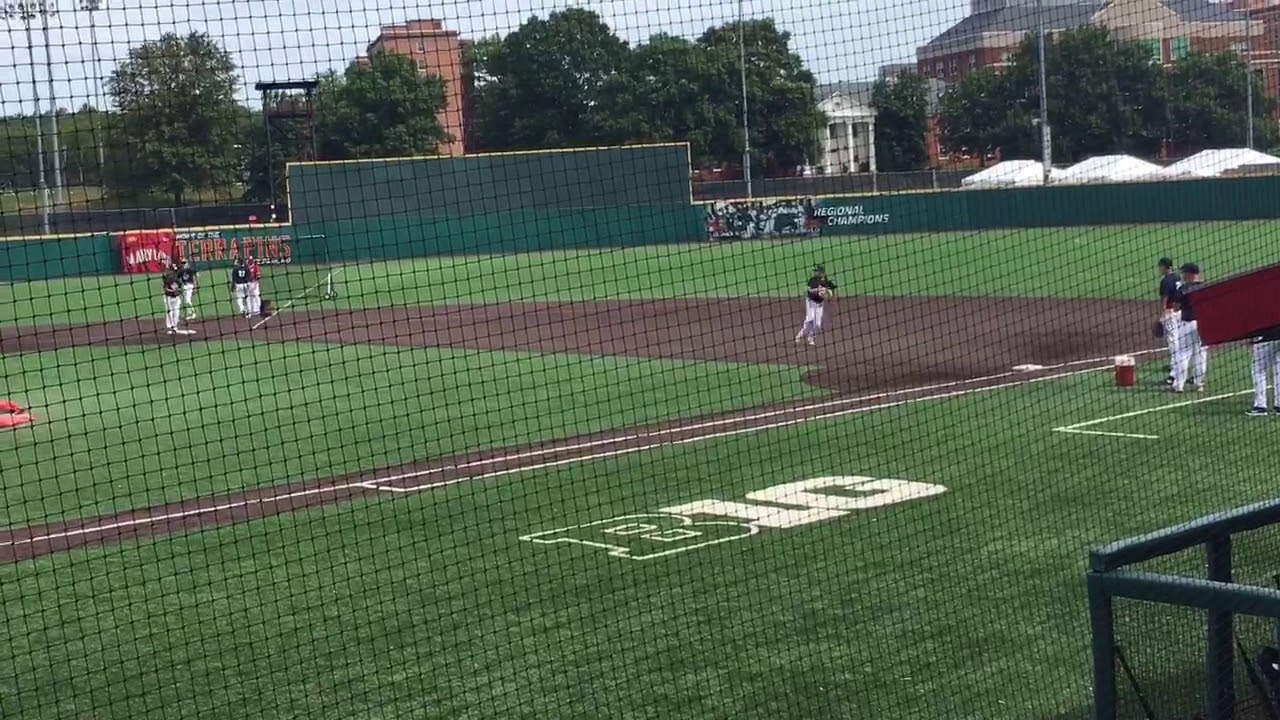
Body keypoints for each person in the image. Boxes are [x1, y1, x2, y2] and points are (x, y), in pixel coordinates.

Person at [1170, 262, 1207, 393]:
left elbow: (1175, 307)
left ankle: (1178, 385)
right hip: (1203, 324)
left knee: (1183, 354)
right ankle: (1199, 383)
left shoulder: (1183, 288)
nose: (1182, 275)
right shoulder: (1206, 287)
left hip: (1187, 323)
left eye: (1184, 273)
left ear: (1190, 273)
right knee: (1200, 354)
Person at [794, 264, 837, 346]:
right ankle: (799, 335)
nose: (815, 273)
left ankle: (811, 337)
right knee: (809, 319)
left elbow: (832, 288)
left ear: (821, 272)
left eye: (816, 271)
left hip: (820, 304)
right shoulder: (812, 280)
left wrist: (831, 297)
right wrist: (818, 292)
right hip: (811, 302)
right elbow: (809, 292)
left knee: (817, 324)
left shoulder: (826, 280)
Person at [1157, 257, 1181, 385]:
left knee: (1173, 341)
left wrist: (1162, 316)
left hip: (1169, 312)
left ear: (1165, 267)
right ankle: (1175, 364)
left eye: (1160, 266)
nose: (1159, 269)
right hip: (1179, 311)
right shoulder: (1177, 277)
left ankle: (1175, 368)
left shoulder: (1165, 281)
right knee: (1178, 339)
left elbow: (1164, 300)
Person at [1247, 326, 1280, 416]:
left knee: (1258, 369)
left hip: (1266, 336)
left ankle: (1260, 406)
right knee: (1279, 369)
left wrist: (1251, 337)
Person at [162, 265, 194, 335]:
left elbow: (180, 289)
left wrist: (178, 291)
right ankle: (170, 326)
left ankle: (174, 325)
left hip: (176, 298)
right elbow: (165, 289)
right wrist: (173, 291)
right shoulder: (167, 279)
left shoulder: (177, 280)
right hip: (168, 298)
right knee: (170, 312)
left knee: (176, 311)